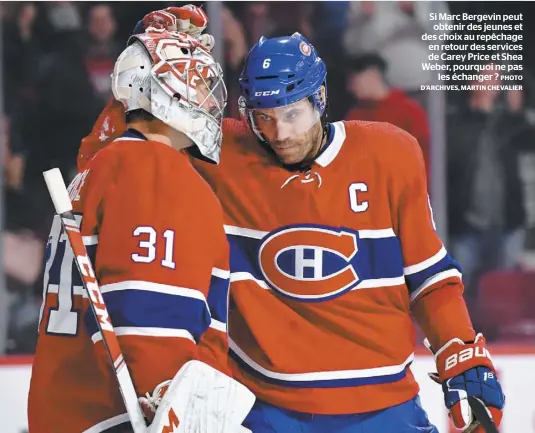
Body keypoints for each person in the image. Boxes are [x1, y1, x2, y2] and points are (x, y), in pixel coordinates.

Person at [79, 10, 505, 433]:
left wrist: (459, 346)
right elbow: (113, 159)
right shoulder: (221, 153)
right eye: (263, 117)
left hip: (384, 407)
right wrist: (143, 66)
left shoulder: (390, 154)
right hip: (263, 411)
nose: (279, 132)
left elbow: (430, 277)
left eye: (292, 113)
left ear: (319, 99)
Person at [28, 28, 239, 433]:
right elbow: (150, 323)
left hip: (67, 409)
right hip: (120, 416)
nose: (209, 100)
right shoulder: (157, 173)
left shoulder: (99, 168)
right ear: (165, 91)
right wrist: (173, 412)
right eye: (198, 82)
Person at [345, 53, 430, 177]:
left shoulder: (409, 112)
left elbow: (425, 155)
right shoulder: (354, 116)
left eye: (354, 81)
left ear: (372, 76)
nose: (350, 88)